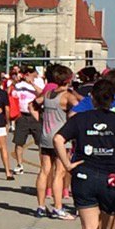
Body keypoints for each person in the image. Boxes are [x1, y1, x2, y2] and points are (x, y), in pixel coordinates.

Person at [53, 77, 115, 229]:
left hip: (85, 175)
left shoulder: (81, 118)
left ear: (92, 97)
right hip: (112, 177)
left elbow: (57, 139)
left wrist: (68, 164)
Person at [34, 65, 80, 220]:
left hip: (46, 135)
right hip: (61, 138)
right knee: (59, 173)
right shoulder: (67, 96)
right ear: (68, 79)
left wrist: (39, 119)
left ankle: (40, 206)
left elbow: (33, 104)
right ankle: (58, 207)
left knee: (44, 171)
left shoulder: (47, 94)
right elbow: (80, 107)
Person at [11, 66, 42, 173]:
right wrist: (14, 83)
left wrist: (32, 84)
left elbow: (43, 94)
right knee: (19, 142)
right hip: (22, 116)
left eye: (31, 72)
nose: (29, 74)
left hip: (36, 115)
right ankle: (19, 164)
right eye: (26, 73)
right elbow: (11, 95)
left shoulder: (39, 82)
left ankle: (43, 165)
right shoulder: (19, 85)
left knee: (40, 142)